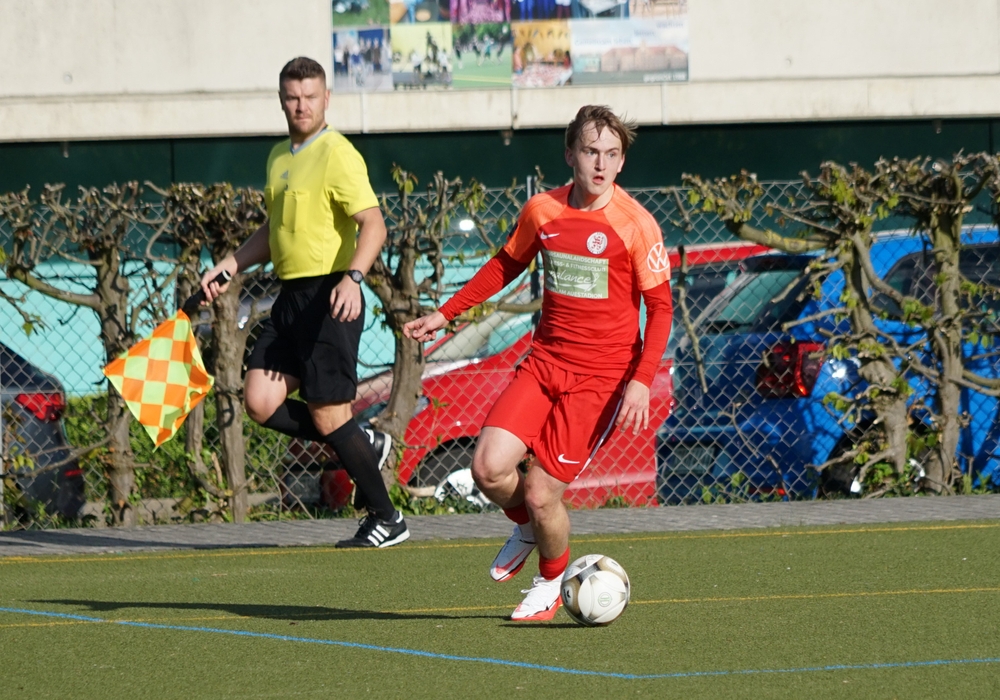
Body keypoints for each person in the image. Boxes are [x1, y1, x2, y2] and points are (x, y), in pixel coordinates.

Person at [403, 105, 673, 620]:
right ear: (570, 153)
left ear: (622, 161)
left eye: (611, 154)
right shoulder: (542, 210)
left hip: (602, 379)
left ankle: (551, 582)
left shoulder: (636, 224)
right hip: (545, 362)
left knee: (542, 491)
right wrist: (444, 314)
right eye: (590, 151)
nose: (601, 164)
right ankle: (527, 528)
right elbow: (505, 264)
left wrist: (641, 380)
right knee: (487, 469)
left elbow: (661, 309)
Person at [200, 57, 409, 549]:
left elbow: (374, 224)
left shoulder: (338, 153)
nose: (301, 106)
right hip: (290, 297)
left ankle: (388, 518)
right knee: (259, 401)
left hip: (331, 296)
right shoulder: (279, 156)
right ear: (281, 100)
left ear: (326, 99)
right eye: (293, 97)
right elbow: (274, 230)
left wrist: (353, 278)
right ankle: (361, 439)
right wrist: (230, 264)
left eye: (310, 96)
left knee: (328, 415)